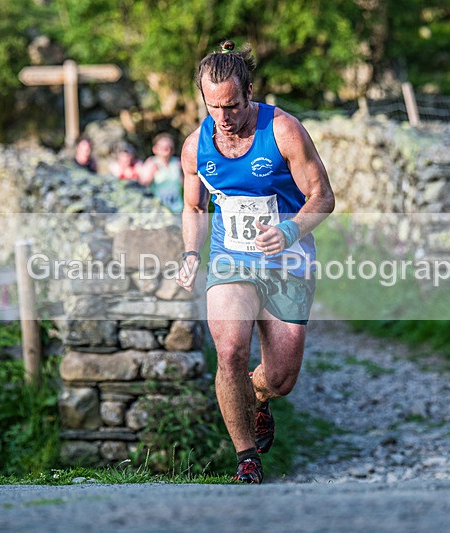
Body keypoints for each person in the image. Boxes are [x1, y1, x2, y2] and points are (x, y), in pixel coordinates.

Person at [176, 39, 335, 484]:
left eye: (232, 105)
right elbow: (194, 207)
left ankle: (258, 394)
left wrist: (290, 231)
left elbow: (323, 197)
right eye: (213, 107)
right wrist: (191, 253)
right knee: (228, 351)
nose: (223, 117)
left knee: (281, 378)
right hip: (231, 258)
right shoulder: (195, 147)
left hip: (288, 260)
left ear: (249, 92)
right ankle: (246, 458)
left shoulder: (283, 131)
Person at [139, 133, 184, 213]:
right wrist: (151, 174)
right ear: (155, 149)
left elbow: (186, 185)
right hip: (158, 209)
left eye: (170, 147)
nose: (167, 149)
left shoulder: (178, 163)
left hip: (177, 207)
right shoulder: (151, 162)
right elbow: (142, 185)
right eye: (164, 147)